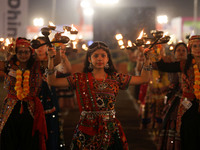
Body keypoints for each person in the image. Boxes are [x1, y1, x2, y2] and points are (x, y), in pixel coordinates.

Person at [46, 41, 152, 149]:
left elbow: (144, 79)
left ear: (107, 59)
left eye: (103, 56)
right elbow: (52, 82)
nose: (99, 59)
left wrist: (147, 60)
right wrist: (50, 59)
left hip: (110, 130)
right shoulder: (79, 78)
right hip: (86, 129)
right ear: (89, 59)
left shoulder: (115, 78)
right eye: (95, 56)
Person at [0, 37, 47, 150]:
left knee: (29, 142)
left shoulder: (37, 66)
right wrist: (5, 53)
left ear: (31, 53)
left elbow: (56, 61)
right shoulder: (9, 65)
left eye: (26, 52)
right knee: (9, 140)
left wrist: (56, 49)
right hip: (11, 108)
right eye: (20, 52)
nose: (23, 55)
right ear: (15, 53)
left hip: (30, 108)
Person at [154, 36, 200, 150]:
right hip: (187, 105)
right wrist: (158, 50)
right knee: (187, 134)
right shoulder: (185, 64)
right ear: (190, 48)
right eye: (195, 46)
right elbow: (163, 66)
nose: (198, 48)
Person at [35, 36, 71, 150]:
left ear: (47, 47)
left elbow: (67, 71)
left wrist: (61, 54)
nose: (39, 48)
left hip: (49, 101)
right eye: (37, 45)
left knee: (51, 131)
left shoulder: (52, 61)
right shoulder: (30, 62)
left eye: (42, 45)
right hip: (33, 102)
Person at [157, 42, 188, 150]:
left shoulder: (192, 64)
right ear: (174, 54)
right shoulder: (172, 65)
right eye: (178, 51)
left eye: (183, 50)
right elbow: (162, 69)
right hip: (175, 99)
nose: (181, 53)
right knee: (173, 120)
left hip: (190, 99)